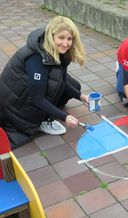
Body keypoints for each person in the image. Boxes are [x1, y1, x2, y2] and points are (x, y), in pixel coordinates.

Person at [0, 16, 88, 149]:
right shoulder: (36, 59)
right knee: (46, 93)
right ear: (51, 37)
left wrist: (80, 96)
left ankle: (46, 112)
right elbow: (37, 99)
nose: (65, 43)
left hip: (26, 91)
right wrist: (65, 117)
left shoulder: (58, 51)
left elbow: (62, 81)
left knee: (74, 85)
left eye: (69, 39)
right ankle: (42, 120)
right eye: (61, 38)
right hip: (14, 104)